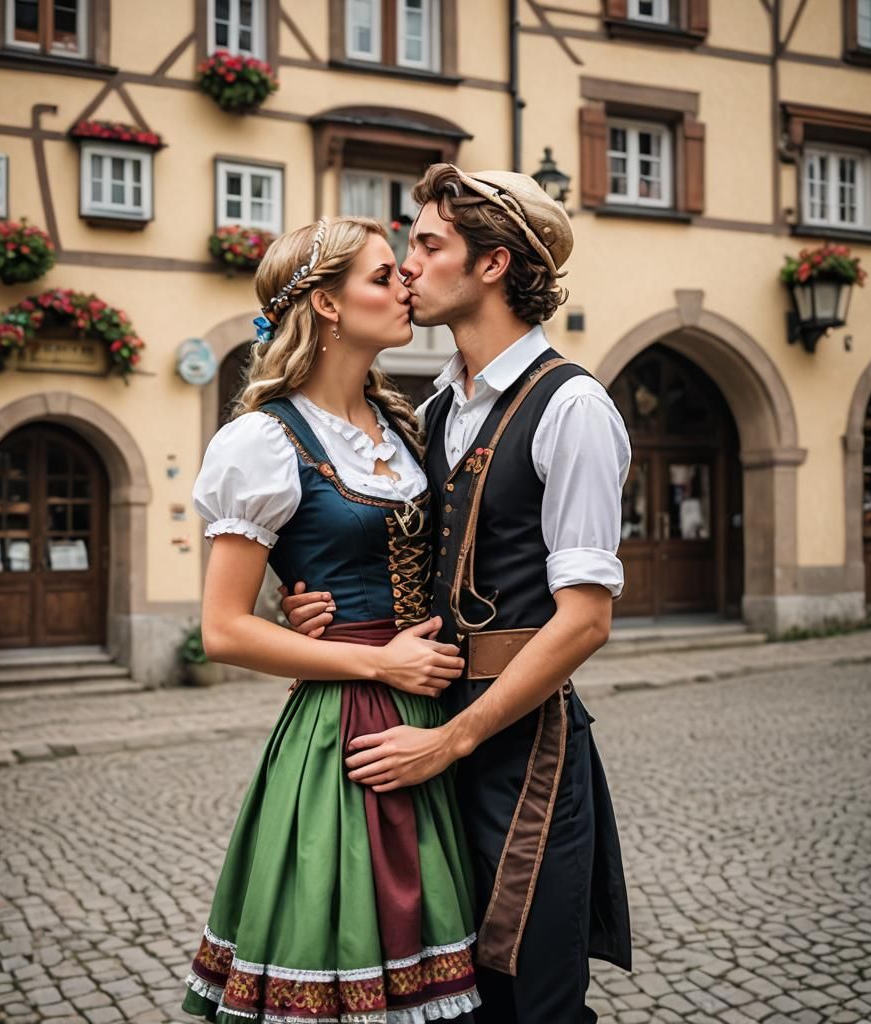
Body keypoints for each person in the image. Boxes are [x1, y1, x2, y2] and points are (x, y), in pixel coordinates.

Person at [284, 165, 633, 1023]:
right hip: (427, 715)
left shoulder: (572, 406)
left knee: (532, 993)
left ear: (493, 264)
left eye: (429, 244)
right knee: (447, 991)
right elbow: (392, 558)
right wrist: (317, 616)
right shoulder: (436, 408)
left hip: (520, 742)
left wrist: (456, 743)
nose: (407, 265)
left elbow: (585, 621)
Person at [182, 216, 481, 1024]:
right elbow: (223, 630)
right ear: (328, 304)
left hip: (432, 712)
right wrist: (379, 663)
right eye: (383, 276)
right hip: (348, 722)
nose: (405, 285)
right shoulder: (264, 440)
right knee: (346, 934)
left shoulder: (409, 427)